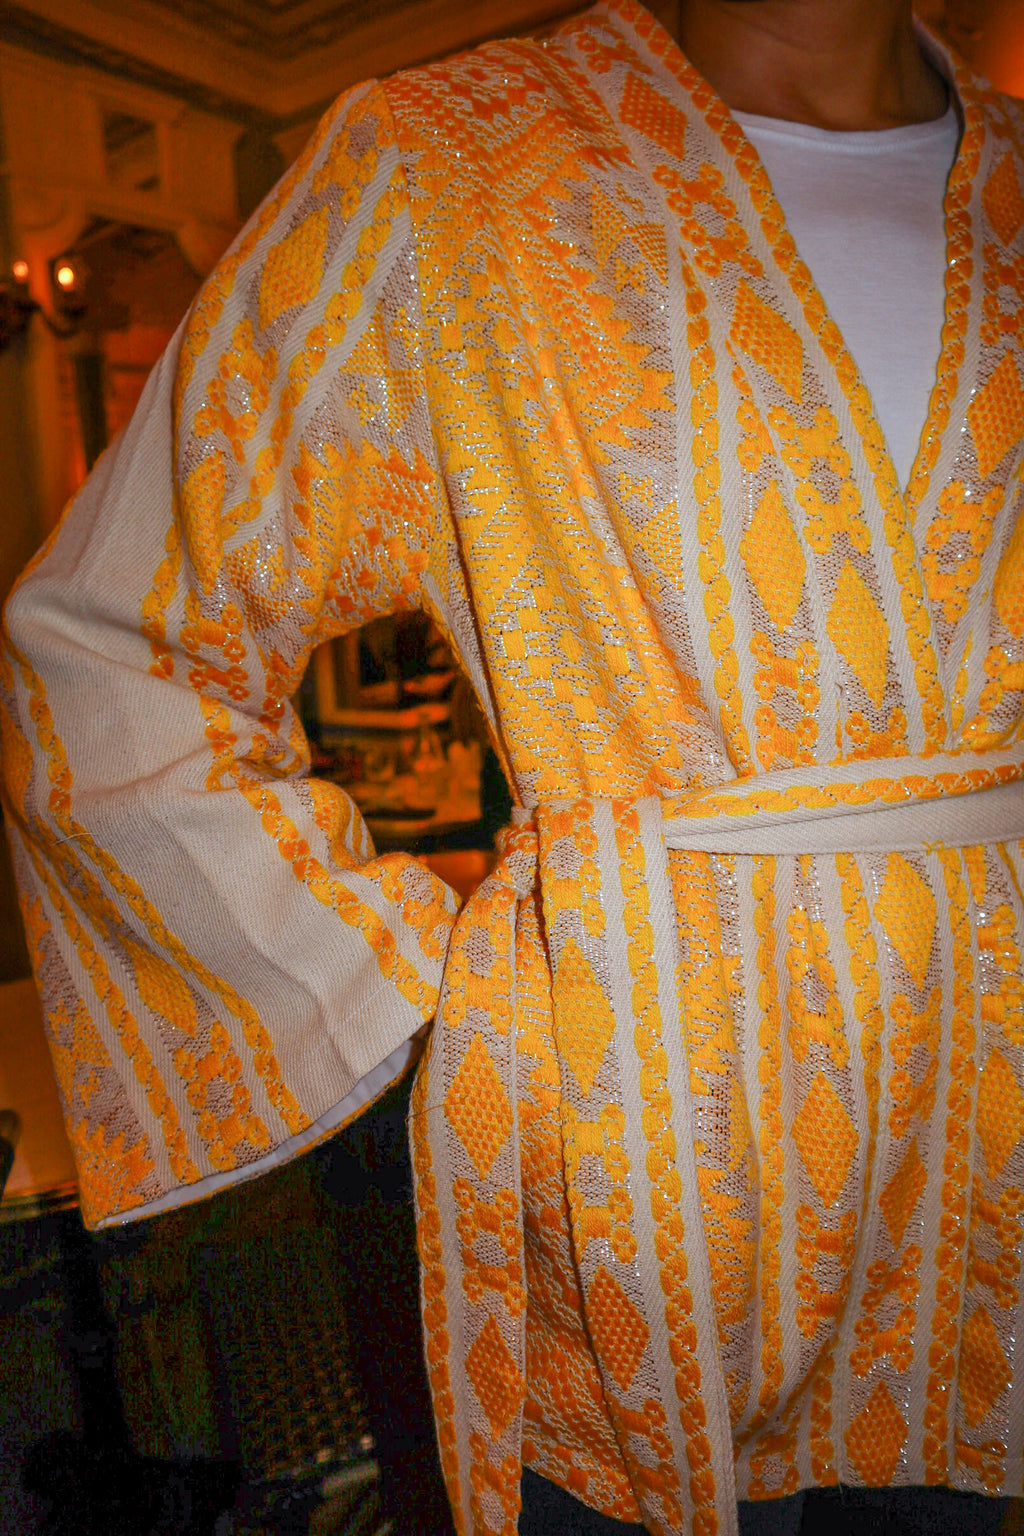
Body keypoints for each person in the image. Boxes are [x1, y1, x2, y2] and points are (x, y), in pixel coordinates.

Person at [3, 0, 1022, 1531]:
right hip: (630, 1148)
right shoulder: (449, 171)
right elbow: (110, 650)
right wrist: (411, 991)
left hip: (989, 1157)